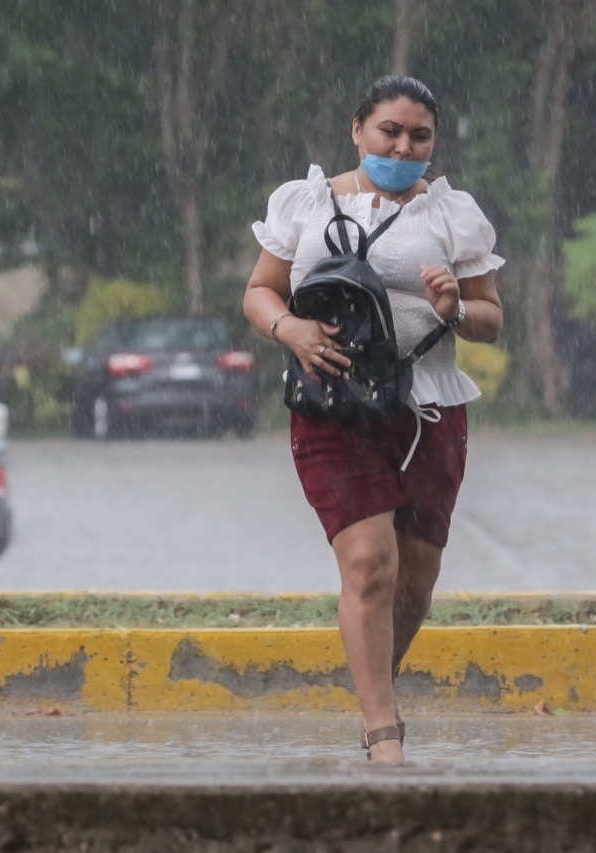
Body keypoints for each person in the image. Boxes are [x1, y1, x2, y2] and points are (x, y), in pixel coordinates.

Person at [243, 75, 505, 763]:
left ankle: (372, 688)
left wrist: (454, 308)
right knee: (369, 564)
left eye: (420, 135)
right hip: (334, 405)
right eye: (390, 130)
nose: (404, 145)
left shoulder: (454, 217)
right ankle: (383, 730)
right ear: (358, 129)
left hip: (428, 409)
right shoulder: (304, 202)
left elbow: (491, 319)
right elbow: (260, 291)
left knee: (416, 577)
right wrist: (290, 331)